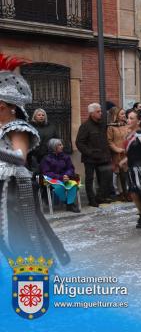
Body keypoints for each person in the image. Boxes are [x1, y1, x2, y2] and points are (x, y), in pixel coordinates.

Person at [0, 53, 70, 265]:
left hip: (14, 188)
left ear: (5, 106)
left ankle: (36, 279)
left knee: (19, 235)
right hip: (3, 184)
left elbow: (20, 158)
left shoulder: (17, 128)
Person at [76, 103, 113, 207]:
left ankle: (100, 197)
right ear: (92, 113)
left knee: (107, 176)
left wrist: (107, 153)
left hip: (103, 157)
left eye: (101, 111)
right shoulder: (85, 126)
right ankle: (91, 200)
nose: (101, 113)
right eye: (98, 112)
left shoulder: (102, 124)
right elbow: (79, 142)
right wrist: (90, 152)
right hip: (90, 158)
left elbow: (104, 140)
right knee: (89, 179)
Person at [40, 138, 80, 213]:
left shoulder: (66, 157)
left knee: (74, 185)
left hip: (65, 178)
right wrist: (60, 177)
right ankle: (68, 203)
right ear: (54, 147)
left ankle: (70, 204)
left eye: (61, 144)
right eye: (60, 145)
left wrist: (67, 175)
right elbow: (46, 172)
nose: (62, 146)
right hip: (52, 179)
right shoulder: (46, 159)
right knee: (59, 187)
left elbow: (70, 168)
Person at [107, 107, 129, 201]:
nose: (124, 116)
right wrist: (117, 149)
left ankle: (127, 192)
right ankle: (120, 193)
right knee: (119, 174)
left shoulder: (127, 125)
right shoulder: (111, 127)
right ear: (116, 116)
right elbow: (109, 141)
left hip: (127, 153)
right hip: (117, 154)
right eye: (122, 114)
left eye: (124, 114)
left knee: (127, 173)